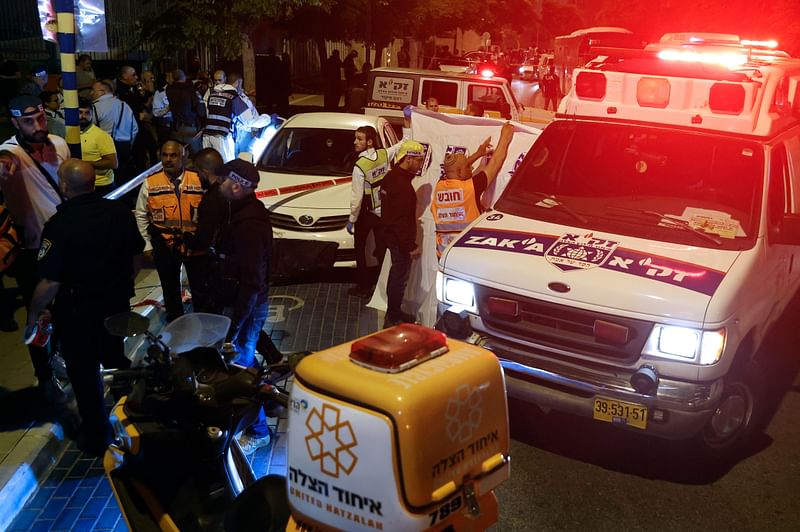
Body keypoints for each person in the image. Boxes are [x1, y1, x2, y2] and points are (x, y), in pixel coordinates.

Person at [27, 158, 144, 456]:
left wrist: (34, 311)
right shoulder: (119, 212)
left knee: (85, 374)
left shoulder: (59, 225)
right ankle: (132, 417)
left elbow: (50, 282)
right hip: (116, 304)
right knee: (117, 362)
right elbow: (136, 257)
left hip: (79, 312)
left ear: (64, 186)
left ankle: (97, 435)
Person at [0, 95, 70, 402]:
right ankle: (44, 374)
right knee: (37, 313)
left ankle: (63, 358)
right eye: (29, 121)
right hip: (33, 250)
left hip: (67, 245)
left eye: (40, 117)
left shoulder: (58, 143)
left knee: (68, 310)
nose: (38, 126)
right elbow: (3, 163)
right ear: (15, 123)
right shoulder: (9, 152)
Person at [214, 158, 277, 454]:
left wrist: (236, 324)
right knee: (246, 364)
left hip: (246, 305)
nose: (219, 184)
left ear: (237, 186)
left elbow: (252, 278)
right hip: (243, 302)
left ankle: (259, 430)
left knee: (241, 368)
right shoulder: (244, 213)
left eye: (224, 180)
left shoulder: (248, 225)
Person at [135, 140, 206, 322]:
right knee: (169, 287)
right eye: (164, 155)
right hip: (165, 244)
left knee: (200, 287)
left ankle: (204, 322)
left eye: (173, 155)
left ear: (184, 156)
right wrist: (147, 245)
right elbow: (141, 215)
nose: (168, 159)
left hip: (194, 244)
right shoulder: (150, 183)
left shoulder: (198, 179)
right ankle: (176, 323)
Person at [346, 114, 410, 298]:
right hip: (384, 212)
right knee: (382, 249)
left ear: (369, 142)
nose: (355, 142)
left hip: (367, 213)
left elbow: (356, 197)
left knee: (360, 249)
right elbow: (403, 144)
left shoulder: (359, 166)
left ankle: (363, 286)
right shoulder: (384, 154)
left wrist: (352, 219)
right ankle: (382, 286)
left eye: (359, 139)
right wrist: (407, 122)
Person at [432, 122, 515, 258]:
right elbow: (495, 162)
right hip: (465, 253)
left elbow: (455, 168)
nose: (471, 168)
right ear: (460, 172)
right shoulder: (471, 187)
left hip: (444, 253)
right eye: (468, 166)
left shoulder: (439, 186)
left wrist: (478, 154)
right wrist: (505, 136)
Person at [379, 141, 426, 326]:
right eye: (418, 160)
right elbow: (400, 220)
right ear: (408, 159)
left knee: (397, 275)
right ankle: (393, 316)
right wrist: (410, 245)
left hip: (392, 237)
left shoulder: (391, 179)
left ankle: (394, 312)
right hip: (399, 241)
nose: (420, 165)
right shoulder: (402, 186)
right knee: (399, 278)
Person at [182, 148, 226, 313]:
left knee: (208, 312)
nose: (197, 176)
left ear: (205, 171)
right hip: (229, 265)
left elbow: (203, 241)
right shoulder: (228, 190)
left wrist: (185, 237)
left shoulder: (211, 200)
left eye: (197, 171)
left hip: (212, 268)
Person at [91, 80, 138, 193]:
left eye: (93, 90)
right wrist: (129, 144)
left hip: (106, 147)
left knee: (108, 178)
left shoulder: (96, 107)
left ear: (102, 92)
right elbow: (135, 128)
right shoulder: (124, 105)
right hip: (125, 145)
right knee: (123, 177)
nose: (90, 93)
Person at [202, 70, 248, 162]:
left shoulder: (211, 92)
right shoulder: (232, 95)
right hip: (222, 136)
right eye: (216, 80)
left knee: (210, 164)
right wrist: (266, 119)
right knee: (226, 164)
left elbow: (206, 111)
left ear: (225, 79)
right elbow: (247, 118)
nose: (217, 83)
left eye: (220, 80)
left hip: (208, 134)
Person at [78, 99, 118, 196]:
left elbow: (113, 163)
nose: (83, 116)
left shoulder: (100, 135)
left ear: (92, 115)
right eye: (80, 112)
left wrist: (84, 164)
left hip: (101, 186)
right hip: (81, 184)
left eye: (87, 113)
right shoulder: (71, 133)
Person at [166, 69, 205, 155]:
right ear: (184, 77)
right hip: (191, 129)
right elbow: (200, 110)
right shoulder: (190, 90)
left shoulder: (169, 90)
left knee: (179, 158)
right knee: (197, 157)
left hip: (176, 128)